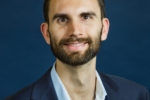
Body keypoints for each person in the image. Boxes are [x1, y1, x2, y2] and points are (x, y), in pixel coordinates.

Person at [5, 0, 150, 100]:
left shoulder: (137, 96)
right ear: (46, 33)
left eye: (86, 17)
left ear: (104, 29)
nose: (75, 31)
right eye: (62, 19)